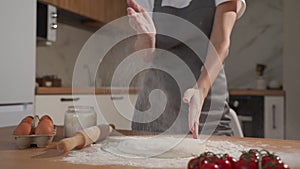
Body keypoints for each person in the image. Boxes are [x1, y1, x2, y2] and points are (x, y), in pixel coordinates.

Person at [127, 0, 246, 138]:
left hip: (206, 99)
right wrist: (147, 37)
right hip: (156, 105)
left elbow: (220, 43)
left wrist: (200, 91)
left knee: (212, 156)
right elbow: (147, 56)